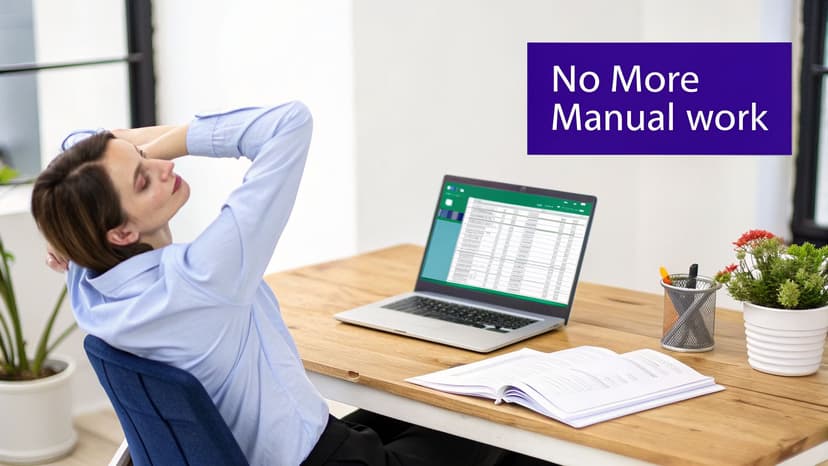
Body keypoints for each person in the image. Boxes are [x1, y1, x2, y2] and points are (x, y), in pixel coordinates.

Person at [31, 102, 549, 466]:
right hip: (327, 459)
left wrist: (101, 186)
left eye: (148, 158)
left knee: (439, 416)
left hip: (303, 447)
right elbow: (287, 123)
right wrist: (168, 141)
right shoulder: (205, 276)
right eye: (144, 179)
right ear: (121, 231)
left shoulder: (91, 279)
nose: (164, 165)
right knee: (511, 432)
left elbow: (76, 149)